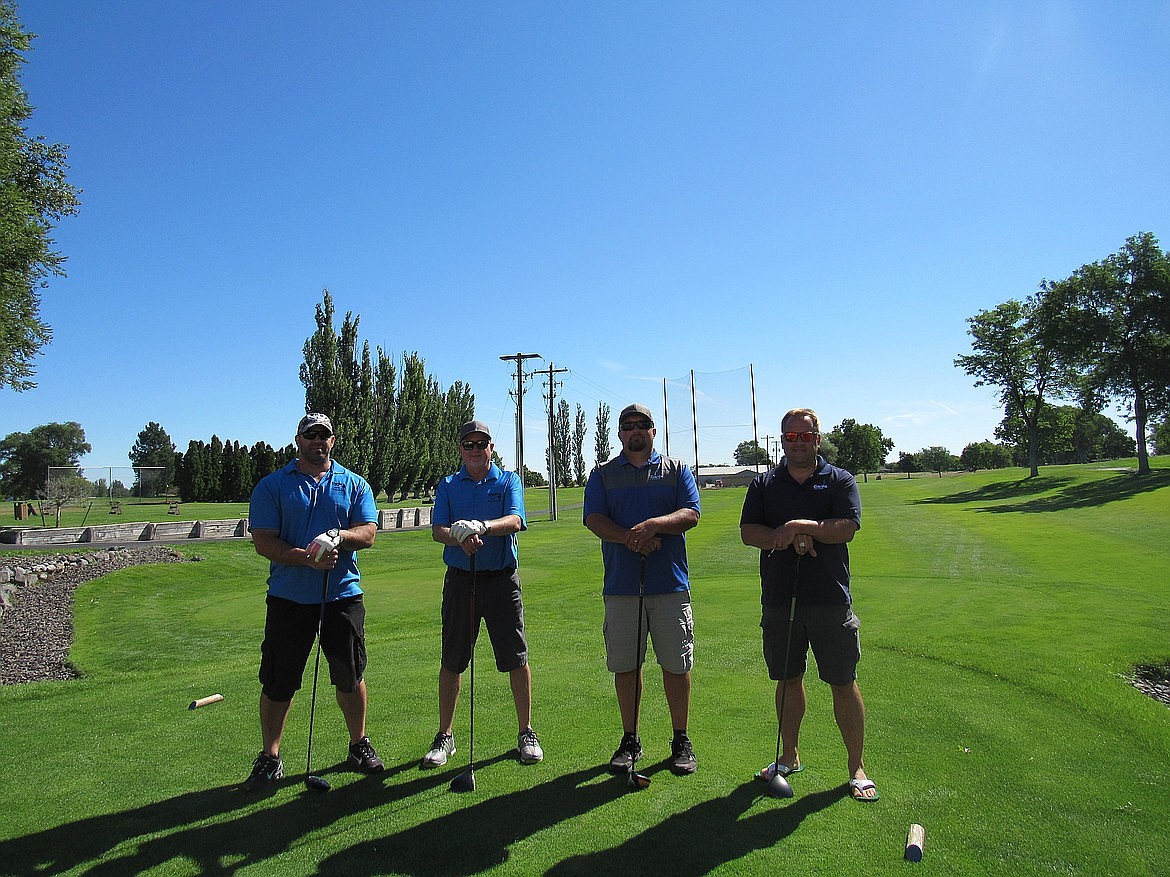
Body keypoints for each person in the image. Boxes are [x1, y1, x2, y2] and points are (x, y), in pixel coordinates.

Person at [738, 407, 877, 801]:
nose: (798, 442)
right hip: (781, 599)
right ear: (782, 440)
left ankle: (856, 767)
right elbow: (750, 533)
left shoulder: (839, 480)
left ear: (818, 439)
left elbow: (847, 527)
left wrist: (802, 528)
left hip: (830, 599)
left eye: (806, 435)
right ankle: (789, 755)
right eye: (791, 436)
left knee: (842, 682)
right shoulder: (764, 484)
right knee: (787, 679)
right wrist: (786, 536)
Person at [241, 413, 383, 792]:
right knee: (278, 680)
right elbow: (264, 541)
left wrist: (337, 537)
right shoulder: (273, 486)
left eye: (323, 436)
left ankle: (358, 744)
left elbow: (368, 533)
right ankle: (270, 757)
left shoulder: (354, 484)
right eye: (310, 436)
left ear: (333, 441)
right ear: (298, 440)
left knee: (350, 675)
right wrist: (306, 557)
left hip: (342, 596)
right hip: (289, 598)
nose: (317, 442)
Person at [583, 403, 701, 776]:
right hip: (621, 587)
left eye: (643, 425)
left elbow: (691, 513)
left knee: (676, 665)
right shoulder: (602, 475)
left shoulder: (677, 470)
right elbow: (595, 519)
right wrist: (633, 539)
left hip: (669, 585)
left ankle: (681, 738)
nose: (635, 431)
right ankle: (630, 739)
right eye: (628, 426)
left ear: (654, 431)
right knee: (626, 665)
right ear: (619, 434)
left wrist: (654, 525)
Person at [422, 419, 544, 768]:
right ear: (461, 449)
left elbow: (516, 520)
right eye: (469, 444)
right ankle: (445, 736)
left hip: (502, 581)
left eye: (482, 444)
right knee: (453, 658)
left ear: (492, 447)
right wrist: (458, 535)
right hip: (461, 580)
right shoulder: (448, 485)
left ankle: (526, 732)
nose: (476, 450)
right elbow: (438, 530)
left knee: (516, 657)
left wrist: (482, 527)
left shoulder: (508, 480)